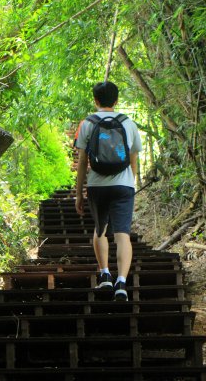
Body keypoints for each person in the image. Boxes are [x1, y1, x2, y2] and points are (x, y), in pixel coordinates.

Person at [75, 81, 142, 301]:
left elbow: (83, 161)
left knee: (100, 230)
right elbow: (133, 160)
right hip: (123, 185)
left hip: (97, 185)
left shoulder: (88, 123)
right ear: (116, 100)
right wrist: (130, 185)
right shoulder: (128, 123)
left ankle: (105, 274)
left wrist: (79, 193)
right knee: (123, 235)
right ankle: (121, 282)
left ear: (95, 100)